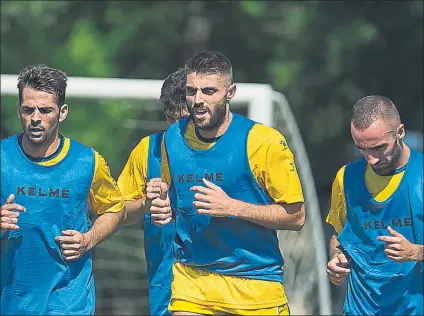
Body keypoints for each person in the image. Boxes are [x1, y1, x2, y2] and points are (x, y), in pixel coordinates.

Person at [147, 50, 306, 316]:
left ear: (230, 92)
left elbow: (296, 217)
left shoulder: (263, 141)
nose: (197, 100)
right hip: (194, 280)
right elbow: (174, 199)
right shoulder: (172, 137)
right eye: (191, 91)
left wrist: (232, 207)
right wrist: (162, 205)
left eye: (209, 91)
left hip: (256, 283)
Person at [1, 64, 125, 315]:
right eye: (28, 109)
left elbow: (115, 209)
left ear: (62, 112)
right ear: (19, 110)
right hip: (12, 301)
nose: (35, 118)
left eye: (45, 110)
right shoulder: (2, 156)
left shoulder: (87, 161)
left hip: (69, 301)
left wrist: (88, 239)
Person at [326, 95, 423, 315]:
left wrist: (416, 252)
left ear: (400, 132)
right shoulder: (346, 177)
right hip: (360, 309)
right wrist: (336, 257)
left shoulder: (421, 176)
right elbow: (339, 235)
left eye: (379, 148)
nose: (371, 159)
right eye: (361, 148)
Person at [117, 67, 189, 316]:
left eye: (185, 119)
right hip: (165, 289)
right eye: (171, 118)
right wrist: (146, 203)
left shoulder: (226, 151)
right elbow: (117, 213)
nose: (177, 128)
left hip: (220, 288)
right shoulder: (148, 150)